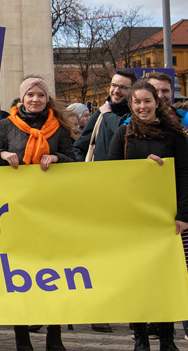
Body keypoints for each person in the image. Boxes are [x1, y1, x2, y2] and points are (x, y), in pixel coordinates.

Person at [0, 75, 75, 351]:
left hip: (50, 210)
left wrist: (58, 158)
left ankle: (54, 334)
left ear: (47, 99)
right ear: (22, 98)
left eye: (40, 95)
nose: (35, 100)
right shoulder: (5, 125)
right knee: (19, 274)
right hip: (16, 210)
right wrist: (1, 156)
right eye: (30, 95)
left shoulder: (58, 127)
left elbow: (76, 160)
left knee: (52, 273)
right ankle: (22, 337)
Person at [106, 80, 188, 351]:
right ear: (131, 105)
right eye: (137, 102)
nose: (142, 106)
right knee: (136, 280)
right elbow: (110, 176)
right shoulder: (123, 135)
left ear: (157, 103)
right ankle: (140, 338)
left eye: (147, 101)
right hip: (133, 219)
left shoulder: (174, 135)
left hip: (165, 218)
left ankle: (167, 338)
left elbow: (185, 177)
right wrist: (142, 169)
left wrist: (183, 214)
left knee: (165, 280)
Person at [74, 69, 137, 162]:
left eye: (122, 87)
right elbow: (79, 147)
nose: (116, 91)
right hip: (100, 174)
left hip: (129, 173)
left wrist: (108, 115)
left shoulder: (136, 114)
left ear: (133, 90)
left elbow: (125, 132)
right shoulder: (99, 114)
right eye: (114, 85)